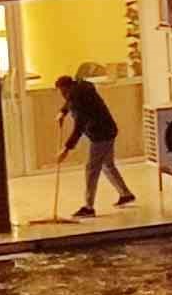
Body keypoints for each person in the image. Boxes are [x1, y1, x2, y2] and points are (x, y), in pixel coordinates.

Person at [56, 74, 136, 218]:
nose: (62, 95)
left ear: (66, 88)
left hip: (101, 135)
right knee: (107, 165)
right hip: (108, 129)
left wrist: (66, 149)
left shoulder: (77, 98)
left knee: (91, 169)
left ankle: (89, 207)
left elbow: (79, 127)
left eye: (61, 92)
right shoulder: (80, 90)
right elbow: (70, 101)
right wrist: (63, 112)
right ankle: (126, 194)